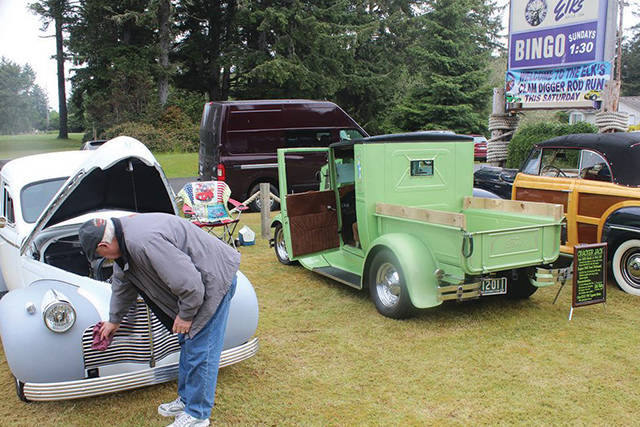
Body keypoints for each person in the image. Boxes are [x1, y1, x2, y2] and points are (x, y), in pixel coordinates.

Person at [79, 213, 241, 427]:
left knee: (201, 349)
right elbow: (122, 282)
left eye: (100, 254)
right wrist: (114, 320)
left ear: (104, 244)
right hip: (199, 284)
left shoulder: (143, 241)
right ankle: (186, 400)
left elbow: (190, 283)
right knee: (188, 343)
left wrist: (185, 315)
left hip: (212, 281)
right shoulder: (124, 239)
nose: (104, 259)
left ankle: (198, 414)